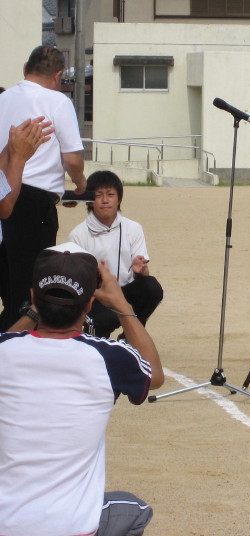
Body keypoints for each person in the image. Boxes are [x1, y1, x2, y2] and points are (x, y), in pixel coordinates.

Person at [0, 242, 164, 535]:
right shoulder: (108, 356)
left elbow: (9, 340)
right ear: (89, 304)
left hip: (6, 523)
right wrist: (123, 305)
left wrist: (35, 311)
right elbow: (155, 375)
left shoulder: (5, 350)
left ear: (33, 297)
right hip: (71, 527)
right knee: (135, 509)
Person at [0, 45, 87, 329]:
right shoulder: (57, 101)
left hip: (3, 190)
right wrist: (80, 183)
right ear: (58, 75)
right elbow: (72, 158)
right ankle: (15, 348)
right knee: (29, 292)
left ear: (26, 68)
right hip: (34, 199)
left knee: (9, 287)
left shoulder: (4, 98)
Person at [68, 171, 163, 339]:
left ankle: (130, 337)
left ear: (119, 199)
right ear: (90, 201)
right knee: (104, 324)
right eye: (98, 195)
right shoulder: (78, 235)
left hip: (125, 293)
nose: (105, 200)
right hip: (96, 298)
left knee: (151, 287)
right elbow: (76, 283)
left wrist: (141, 271)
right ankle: (95, 336)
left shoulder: (133, 228)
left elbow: (143, 274)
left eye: (110, 195)